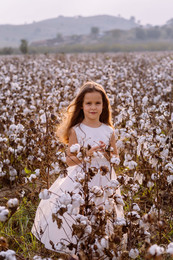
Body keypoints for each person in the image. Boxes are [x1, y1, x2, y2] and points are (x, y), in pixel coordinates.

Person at [31, 81, 125, 257]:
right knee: (78, 213)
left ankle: (99, 248)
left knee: (102, 213)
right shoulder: (77, 130)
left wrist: (106, 154)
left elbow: (116, 159)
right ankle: (79, 249)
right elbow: (69, 160)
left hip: (104, 180)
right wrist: (87, 154)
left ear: (104, 106)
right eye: (88, 103)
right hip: (81, 179)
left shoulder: (108, 130)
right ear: (81, 106)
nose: (93, 107)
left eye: (97, 103)